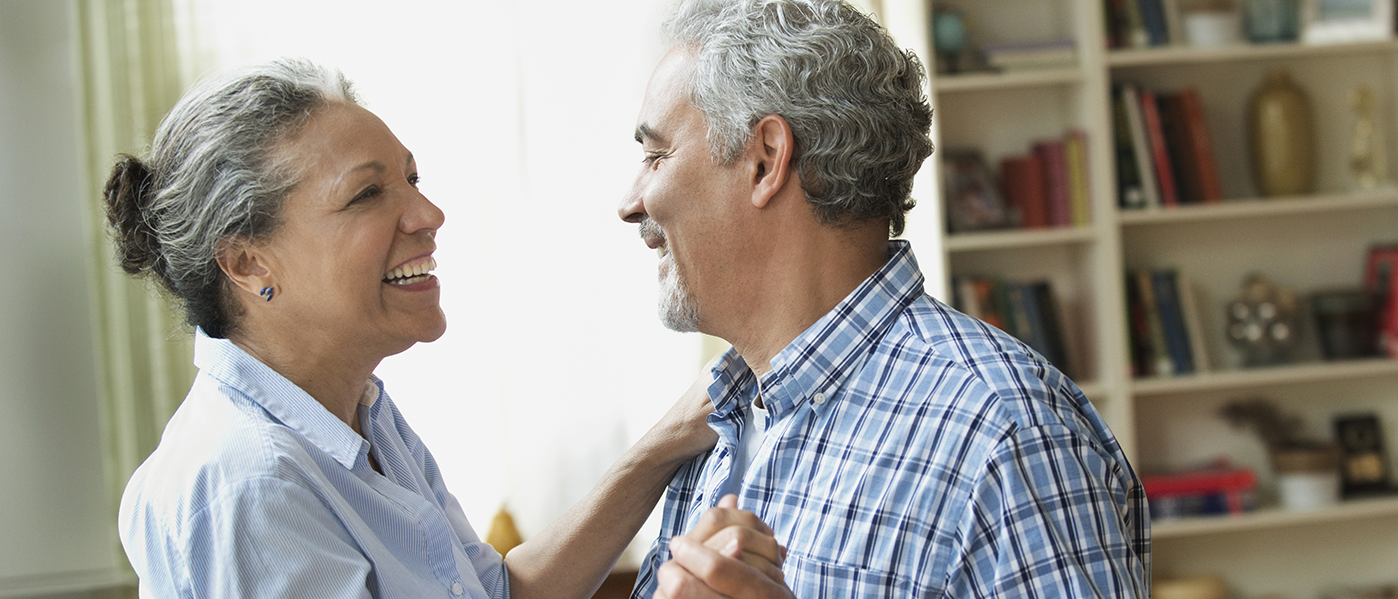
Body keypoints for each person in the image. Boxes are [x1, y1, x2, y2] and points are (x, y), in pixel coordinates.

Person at [105, 58, 778, 599]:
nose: (428, 213)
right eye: (368, 193)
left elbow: (497, 591)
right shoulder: (247, 485)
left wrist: (665, 442)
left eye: (412, 178)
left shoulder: (361, 413)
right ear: (249, 260)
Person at [616, 1, 1152, 597]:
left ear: (766, 159)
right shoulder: (724, 421)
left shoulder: (1007, 431)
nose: (632, 202)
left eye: (655, 155)